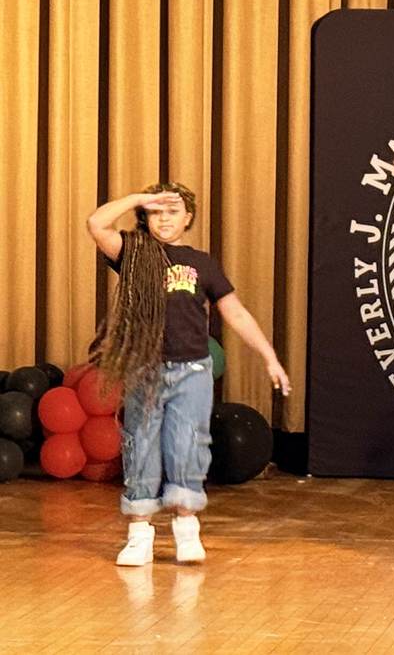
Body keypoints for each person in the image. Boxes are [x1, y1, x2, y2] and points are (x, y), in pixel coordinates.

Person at [86, 182, 290, 566]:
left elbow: (236, 312)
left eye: (173, 211)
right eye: (157, 211)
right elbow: (97, 223)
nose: (165, 218)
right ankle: (139, 534)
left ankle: (186, 529)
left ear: (189, 218)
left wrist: (269, 357)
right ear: (146, 216)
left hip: (192, 369)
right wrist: (139, 200)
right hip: (144, 368)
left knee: (187, 446)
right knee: (141, 446)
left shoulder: (203, 263)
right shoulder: (133, 252)